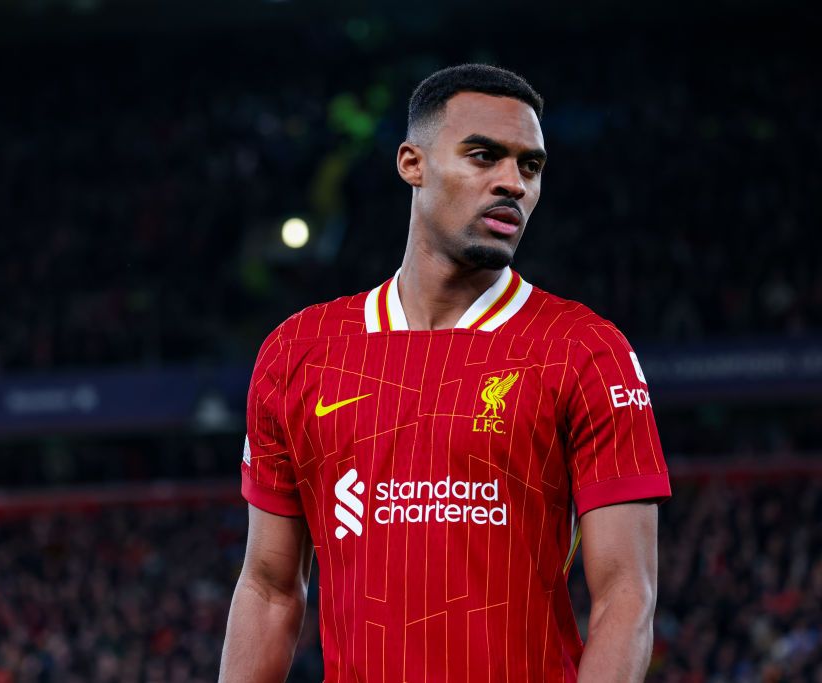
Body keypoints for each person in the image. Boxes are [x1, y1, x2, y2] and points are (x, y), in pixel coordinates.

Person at [219, 64, 671, 682]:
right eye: (484, 156)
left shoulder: (586, 350)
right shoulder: (299, 352)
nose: (512, 182)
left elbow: (627, 595)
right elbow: (269, 589)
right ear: (413, 162)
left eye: (530, 167)